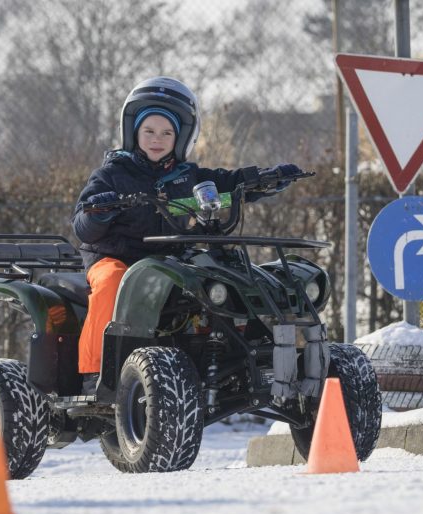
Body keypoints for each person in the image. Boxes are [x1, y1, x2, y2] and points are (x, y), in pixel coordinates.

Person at [71, 76, 302, 392]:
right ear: (133, 133)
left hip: (171, 261)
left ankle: (236, 364)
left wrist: (264, 179)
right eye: (149, 131)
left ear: (180, 139)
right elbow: (82, 224)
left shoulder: (187, 176)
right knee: (113, 282)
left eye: (167, 132)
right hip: (116, 258)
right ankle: (96, 373)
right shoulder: (112, 174)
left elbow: (228, 184)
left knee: (222, 280)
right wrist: (99, 209)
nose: (157, 139)